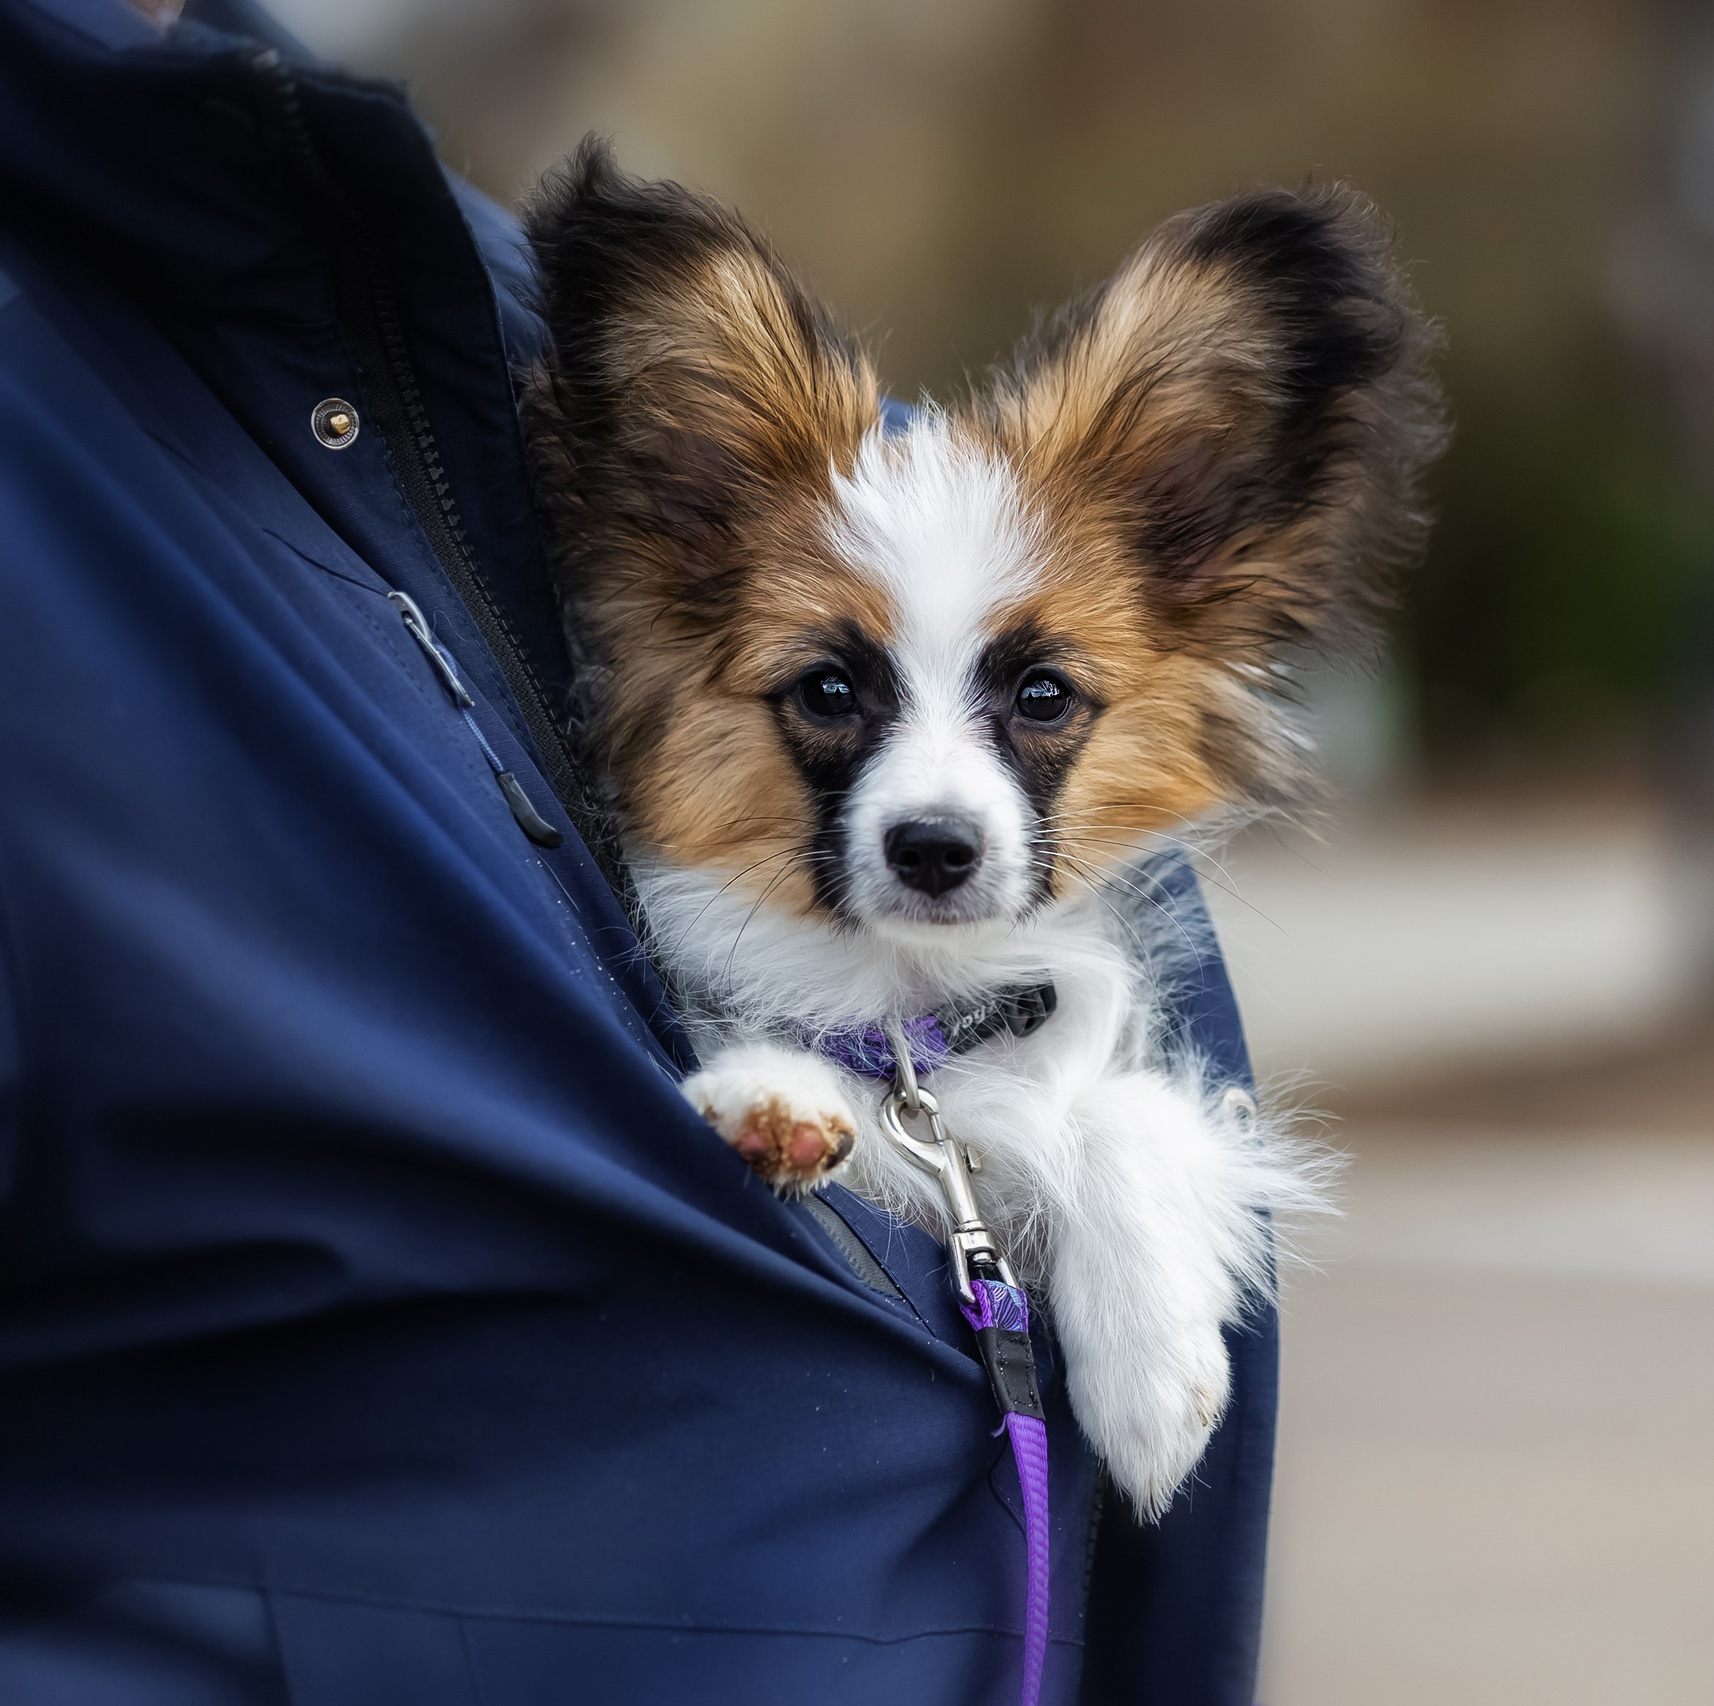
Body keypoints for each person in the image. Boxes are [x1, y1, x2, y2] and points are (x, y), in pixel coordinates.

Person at [0, 1, 1278, 1699]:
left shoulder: (410, 300)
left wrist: (1115, 1176)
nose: (940, 793)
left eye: (1034, 698)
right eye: (837, 694)